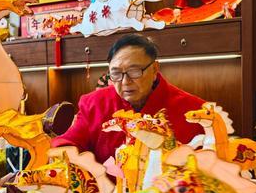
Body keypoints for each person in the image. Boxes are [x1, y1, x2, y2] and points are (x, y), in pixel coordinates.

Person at [52, 34, 205, 163]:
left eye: (134, 71)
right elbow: (67, 144)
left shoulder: (195, 111)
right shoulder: (94, 104)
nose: (125, 81)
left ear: (154, 69)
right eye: (116, 73)